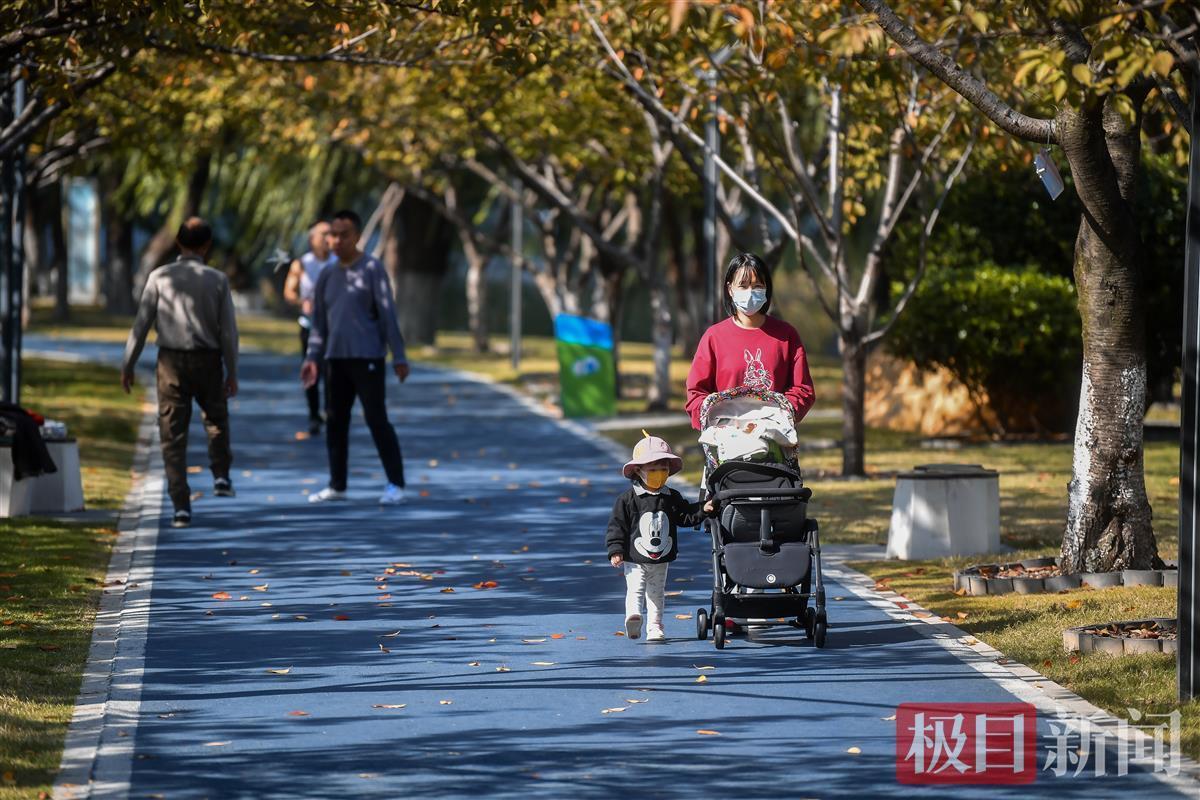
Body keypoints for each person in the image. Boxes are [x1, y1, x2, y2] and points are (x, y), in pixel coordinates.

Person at [121, 217, 239, 529]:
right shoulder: (217, 280)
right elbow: (228, 331)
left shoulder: (159, 277)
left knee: (172, 434)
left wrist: (128, 365)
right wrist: (232, 371)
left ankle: (180, 506)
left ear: (178, 242)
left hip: (170, 362)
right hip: (208, 360)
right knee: (216, 418)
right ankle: (221, 474)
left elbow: (141, 326)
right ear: (207, 245)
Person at [301, 209, 409, 506]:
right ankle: (337, 485)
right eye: (332, 235)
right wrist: (312, 357)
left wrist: (399, 355)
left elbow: (387, 314)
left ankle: (395, 483)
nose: (336, 241)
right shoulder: (327, 275)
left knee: (376, 419)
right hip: (335, 360)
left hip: (368, 357)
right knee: (335, 421)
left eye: (343, 235)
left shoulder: (372, 269)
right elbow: (319, 324)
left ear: (358, 236)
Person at [685, 252, 816, 430]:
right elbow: (696, 393)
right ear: (730, 289)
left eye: (757, 286)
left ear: (766, 288)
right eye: (743, 285)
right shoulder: (714, 337)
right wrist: (719, 418)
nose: (750, 292)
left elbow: (803, 389)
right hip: (726, 439)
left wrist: (779, 416)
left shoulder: (786, 336)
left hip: (774, 439)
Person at [606, 433, 714, 642]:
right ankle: (634, 616)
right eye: (653, 469)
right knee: (636, 589)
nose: (660, 474)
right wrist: (615, 550)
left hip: (661, 558)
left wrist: (704, 509)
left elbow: (685, 516)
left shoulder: (671, 496)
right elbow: (617, 526)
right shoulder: (627, 500)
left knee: (656, 594)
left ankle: (655, 626)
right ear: (638, 470)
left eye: (664, 469)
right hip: (634, 558)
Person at [283, 221, 336, 435]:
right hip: (310, 326)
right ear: (312, 239)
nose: (328, 238)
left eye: (330, 234)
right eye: (323, 234)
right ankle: (314, 414)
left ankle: (332, 413)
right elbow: (289, 292)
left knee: (333, 372)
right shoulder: (302, 264)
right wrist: (301, 302)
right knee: (312, 371)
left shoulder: (338, 261)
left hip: (334, 327)